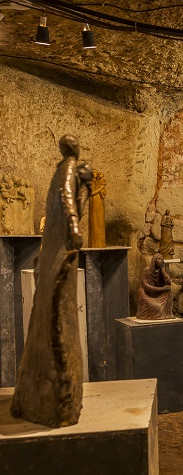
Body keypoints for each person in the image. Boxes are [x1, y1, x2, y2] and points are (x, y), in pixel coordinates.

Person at [12, 135, 92, 427]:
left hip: (57, 248)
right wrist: (73, 226)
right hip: (60, 244)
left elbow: (75, 200)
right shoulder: (67, 167)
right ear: (73, 150)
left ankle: (40, 398)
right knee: (53, 311)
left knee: (52, 309)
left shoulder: (65, 170)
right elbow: (66, 198)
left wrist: (87, 188)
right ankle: (52, 400)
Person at [136, 254, 175, 320]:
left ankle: (167, 314)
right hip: (147, 294)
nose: (161, 261)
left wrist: (162, 271)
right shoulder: (147, 271)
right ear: (154, 261)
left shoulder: (161, 272)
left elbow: (168, 283)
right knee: (157, 308)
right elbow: (146, 287)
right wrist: (162, 289)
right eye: (159, 259)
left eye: (162, 259)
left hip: (157, 293)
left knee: (169, 291)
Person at [88, 169, 107, 247]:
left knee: (100, 221)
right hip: (94, 202)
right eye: (93, 172)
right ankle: (95, 243)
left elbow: (104, 193)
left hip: (99, 201)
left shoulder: (98, 182)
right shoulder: (91, 183)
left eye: (96, 172)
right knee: (95, 221)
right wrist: (100, 188)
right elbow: (92, 193)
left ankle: (101, 243)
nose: (95, 174)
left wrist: (102, 190)